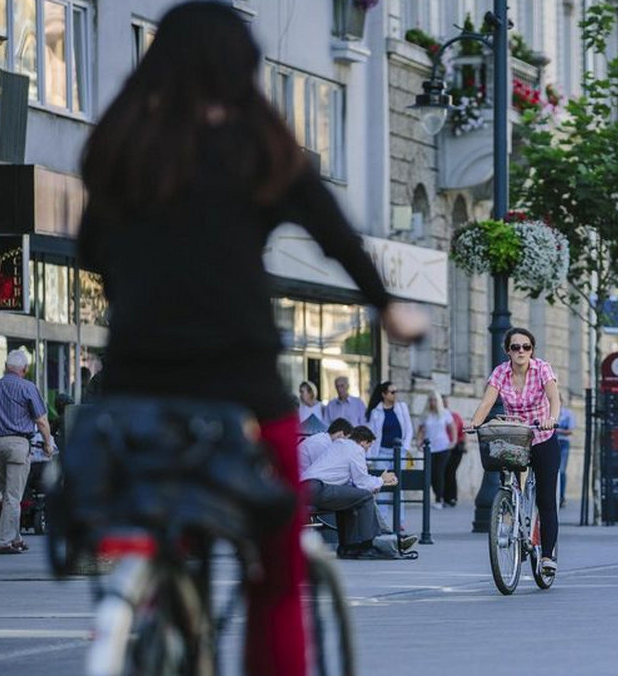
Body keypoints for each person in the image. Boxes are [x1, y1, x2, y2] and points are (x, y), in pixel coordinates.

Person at [76, 4, 426, 671]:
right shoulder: (261, 147)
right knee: (275, 566)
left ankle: (151, 602)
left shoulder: (123, 143)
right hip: (241, 381)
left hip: (134, 382)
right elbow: (337, 239)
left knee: (150, 521)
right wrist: (388, 310)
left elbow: (94, 250)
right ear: (244, 67)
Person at [469, 327, 562, 576]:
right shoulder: (501, 372)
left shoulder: (542, 369)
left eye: (526, 347)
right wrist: (475, 422)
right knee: (510, 486)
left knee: (545, 499)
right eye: (515, 347)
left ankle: (546, 556)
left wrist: (551, 419)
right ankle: (512, 523)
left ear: (532, 350)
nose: (521, 351)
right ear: (507, 351)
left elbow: (554, 398)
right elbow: (488, 402)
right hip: (514, 438)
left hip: (542, 435)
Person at [0, 349, 56, 555]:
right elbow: (41, 421)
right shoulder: (28, 387)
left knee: (8, 491)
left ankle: (17, 537)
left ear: (6, 367)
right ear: (25, 369)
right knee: (13, 495)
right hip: (18, 445)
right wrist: (48, 443)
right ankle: (3, 541)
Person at [299, 420, 416, 557]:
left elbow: (352, 483)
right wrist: (381, 480)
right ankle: (368, 545)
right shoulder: (356, 450)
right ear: (363, 442)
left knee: (349, 500)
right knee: (365, 497)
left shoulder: (339, 445)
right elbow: (362, 483)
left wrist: (377, 482)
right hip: (317, 487)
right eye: (368, 446)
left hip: (307, 487)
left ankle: (348, 547)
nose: (367, 450)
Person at [366, 381, 414, 525]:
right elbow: (373, 434)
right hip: (381, 452)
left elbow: (409, 429)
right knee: (383, 487)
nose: (395, 395)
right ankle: (383, 522)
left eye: (396, 391)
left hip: (399, 452)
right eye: (392, 392)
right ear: (384, 394)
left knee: (398, 487)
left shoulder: (402, 408)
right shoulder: (376, 412)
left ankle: (400, 521)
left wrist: (404, 448)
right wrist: (369, 457)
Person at [414, 388, 457, 508]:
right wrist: (418, 442)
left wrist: (453, 441)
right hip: (429, 448)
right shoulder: (425, 414)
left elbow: (452, 427)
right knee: (431, 474)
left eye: (434, 400)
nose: (432, 402)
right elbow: (421, 430)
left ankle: (439, 499)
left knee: (438, 473)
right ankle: (436, 496)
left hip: (443, 447)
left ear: (438, 401)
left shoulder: (445, 413)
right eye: (430, 400)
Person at [442, 396, 467, 507]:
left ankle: (452, 497)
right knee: (444, 472)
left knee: (451, 471)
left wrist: (465, 445)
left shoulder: (455, 416)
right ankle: (444, 497)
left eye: (446, 402)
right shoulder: (438, 417)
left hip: (456, 448)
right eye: (443, 403)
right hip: (443, 447)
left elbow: (463, 431)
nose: (445, 405)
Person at [558, 406, 576, 508]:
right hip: (555, 441)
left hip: (564, 443)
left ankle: (561, 497)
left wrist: (557, 430)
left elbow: (570, 431)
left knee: (561, 471)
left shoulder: (568, 413)